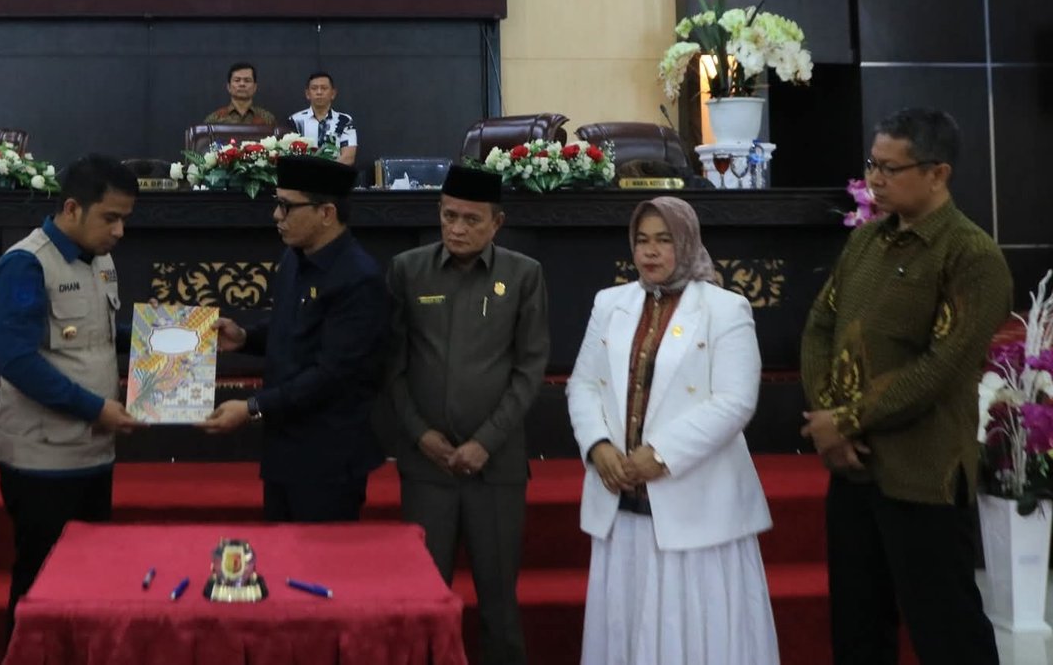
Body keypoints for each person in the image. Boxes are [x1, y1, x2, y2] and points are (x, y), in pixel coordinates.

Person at [800, 108, 1010, 665]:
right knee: (857, 632)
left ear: (938, 174)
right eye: (872, 165)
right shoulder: (867, 243)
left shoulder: (971, 256)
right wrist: (829, 417)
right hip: (854, 472)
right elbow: (820, 326)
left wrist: (845, 421)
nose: (875, 179)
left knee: (948, 634)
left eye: (890, 169)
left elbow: (941, 368)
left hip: (924, 475)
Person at [565, 196, 778, 665]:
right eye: (642, 240)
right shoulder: (610, 303)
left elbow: (736, 400)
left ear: (686, 242)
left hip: (695, 500)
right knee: (627, 625)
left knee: (697, 629)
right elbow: (583, 384)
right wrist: (598, 446)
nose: (650, 251)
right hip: (621, 498)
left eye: (663, 240)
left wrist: (661, 454)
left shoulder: (725, 308)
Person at [384, 165, 548, 665]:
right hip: (427, 468)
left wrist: (485, 442)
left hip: (494, 470)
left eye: (471, 220)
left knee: (499, 606)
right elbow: (391, 367)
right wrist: (420, 435)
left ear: (497, 223)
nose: (456, 228)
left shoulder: (523, 275)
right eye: (449, 216)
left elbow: (530, 369)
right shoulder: (407, 270)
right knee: (424, 601)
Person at [0, 154, 142, 621]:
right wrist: (97, 409)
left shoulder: (101, 259)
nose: (119, 231)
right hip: (42, 458)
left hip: (94, 452)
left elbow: (101, 335)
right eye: (110, 218)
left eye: (125, 219)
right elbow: (18, 361)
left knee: (90, 582)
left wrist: (180, 339)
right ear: (73, 208)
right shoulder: (26, 264)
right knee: (41, 586)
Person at [203, 154, 392, 521]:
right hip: (283, 449)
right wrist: (245, 338)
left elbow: (331, 374)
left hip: (328, 457)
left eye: (287, 206)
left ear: (326, 213)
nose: (276, 215)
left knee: (318, 555)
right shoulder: (294, 258)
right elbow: (291, 329)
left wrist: (252, 407)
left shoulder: (359, 279)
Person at [288, 70, 358, 166]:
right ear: (307, 94)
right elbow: (289, 155)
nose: (319, 92)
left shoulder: (344, 121)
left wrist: (325, 171)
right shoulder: (295, 120)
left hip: (335, 173)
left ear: (333, 93)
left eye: (324, 88)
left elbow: (348, 157)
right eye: (314, 88)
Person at [205, 60, 276, 125]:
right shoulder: (214, 119)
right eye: (237, 80)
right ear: (229, 87)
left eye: (247, 80)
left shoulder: (267, 119)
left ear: (255, 87)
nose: (242, 84)